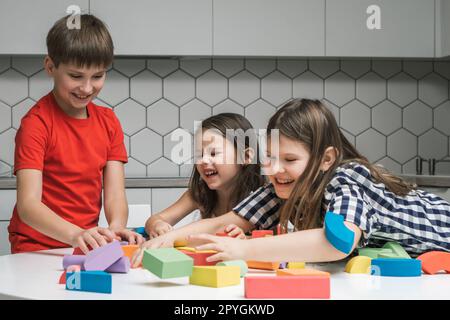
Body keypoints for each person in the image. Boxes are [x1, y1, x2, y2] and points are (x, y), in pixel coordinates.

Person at [132, 98, 450, 267]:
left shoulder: (347, 177)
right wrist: (166, 239)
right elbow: (226, 221)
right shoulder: (278, 186)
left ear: (325, 159)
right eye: (269, 157)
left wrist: (244, 250)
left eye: (290, 160)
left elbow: (336, 242)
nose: (275, 169)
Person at [9, 14, 144, 254]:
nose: (87, 88)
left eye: (98, 76)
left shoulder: (109, 121)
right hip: (36, 248)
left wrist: (115, 227)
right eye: (76, 76)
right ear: (50, 67)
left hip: (84, 245)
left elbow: (114, 193)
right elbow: (28, 205)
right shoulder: (36, 124)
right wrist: (75, 234)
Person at [145, 113, 265, 241]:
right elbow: (155, 219)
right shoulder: (200, 193)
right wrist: (157, 225)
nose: (204, 160)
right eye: (199, 154)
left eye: (214, 153)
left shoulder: (262, 196)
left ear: (245, 157)